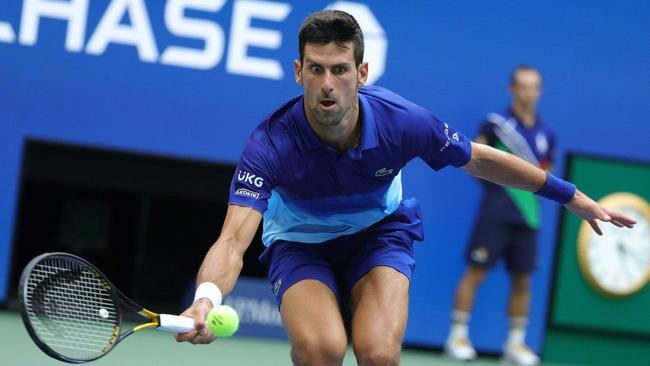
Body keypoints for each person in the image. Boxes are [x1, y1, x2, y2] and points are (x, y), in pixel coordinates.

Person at [175, 10, 635, 366]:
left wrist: (569, 195)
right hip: (301, 244)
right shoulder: (270, 142)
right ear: (298, 72)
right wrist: (206, 299)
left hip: (379, 234)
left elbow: (479, 159)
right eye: (315, 70)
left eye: (339, 69)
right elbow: (233, 239)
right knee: (322, 351)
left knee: (378, 354)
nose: (327, 85)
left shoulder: (404, 122)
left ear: (363, 71)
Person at [443, 66, 554, 366]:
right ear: (512, 90)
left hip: (529, 218)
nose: (528, 93)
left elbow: (548, 174)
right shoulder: (495, 125)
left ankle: (515, 345)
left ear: (539, 92)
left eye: (534, 87)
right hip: (495, 214)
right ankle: (457, 336)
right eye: (523, 86)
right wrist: (499, 191)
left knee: (523, 280)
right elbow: (473, 160)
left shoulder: (547, 135)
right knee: (475, 273)